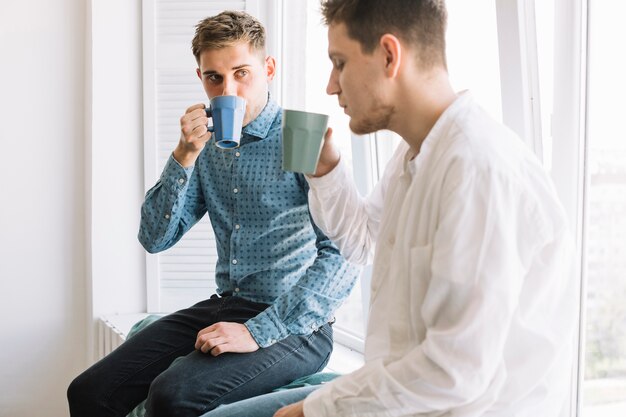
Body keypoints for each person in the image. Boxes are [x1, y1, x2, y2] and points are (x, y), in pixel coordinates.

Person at [201, 0, 578, 416]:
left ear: (388, 55)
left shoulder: (477, 171)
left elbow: (454, 372)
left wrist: (315, 411)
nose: (331, 85)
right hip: (400, 390)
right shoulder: (412, 155)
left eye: (339, 63)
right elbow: (361, 242)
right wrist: (326, 171)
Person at [67, 10, 359, 417]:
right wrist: (184, 154)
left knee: (172, 395)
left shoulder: (301, 136)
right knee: (88, 390)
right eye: (215, 77)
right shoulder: (204, 147)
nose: (229, 90)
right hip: (227, 304)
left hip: (297, 326)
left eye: (242, 73)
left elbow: (343, 256)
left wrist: (257, 332)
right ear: (201, 78)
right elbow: (154, 238)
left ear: (269, 68)